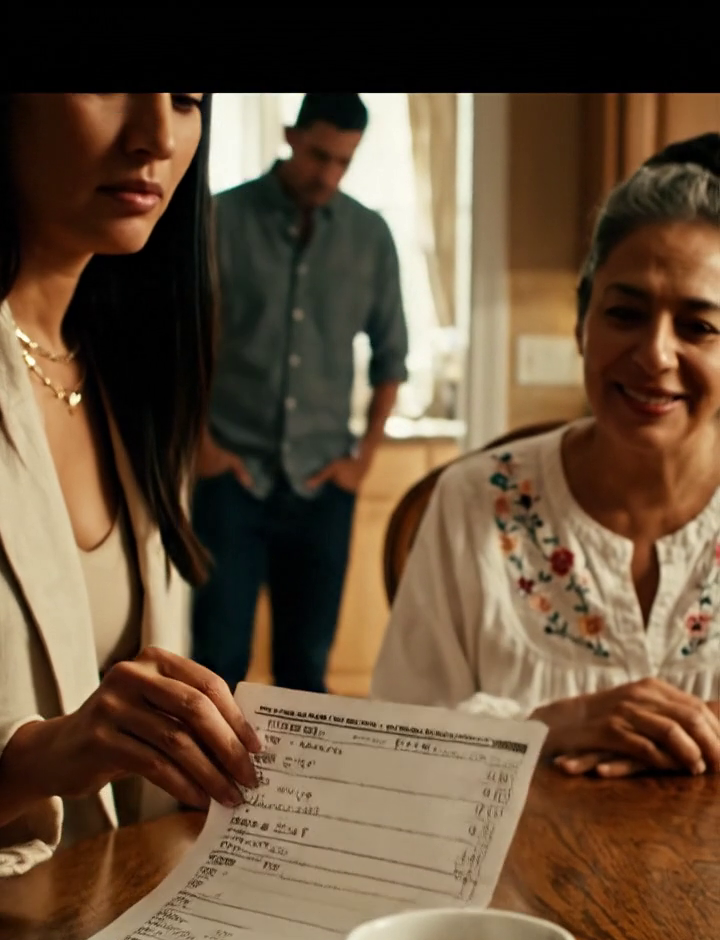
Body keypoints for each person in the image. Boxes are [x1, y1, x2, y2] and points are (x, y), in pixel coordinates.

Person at [372, 132, 720, 780]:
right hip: (509, 880)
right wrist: (552, 726)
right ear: (582, 324)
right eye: (625, 313)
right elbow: (398, 747)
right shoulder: (476, 500)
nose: (655, 355)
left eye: (699, 326)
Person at [0, 93, 262, 878]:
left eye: (186, 99)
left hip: (113, 916)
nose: (156, 136)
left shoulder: (133, 382)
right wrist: (36, 759)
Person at [192, 92, 408, 695]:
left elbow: (392, 358)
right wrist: (201, 445)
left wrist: (363, 458)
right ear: (291, 136)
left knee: (305, 670)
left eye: (343, 162)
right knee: (217, 661)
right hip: (231, 479)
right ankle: (205, 792)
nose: (328, 175)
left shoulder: (370, 236)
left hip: (322, 486)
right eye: (318, 156)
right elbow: (181, 347)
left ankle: (297, 793)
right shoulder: (219, 220)